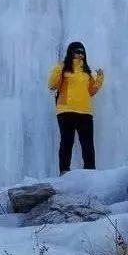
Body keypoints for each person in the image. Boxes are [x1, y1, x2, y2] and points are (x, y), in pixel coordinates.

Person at [47, 42, 105, 174]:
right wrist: (58, 68)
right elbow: (52, 85)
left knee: (88, 144)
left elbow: (91, 91)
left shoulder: (86, 72)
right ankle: (64, 171)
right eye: (77, 51)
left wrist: (100, 78)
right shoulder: (64, 68)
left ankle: (90, 172)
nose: (80, 54)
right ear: (71, 52)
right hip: (66, 110)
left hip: (85, 111)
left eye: (82, 52)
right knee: (67, 142)